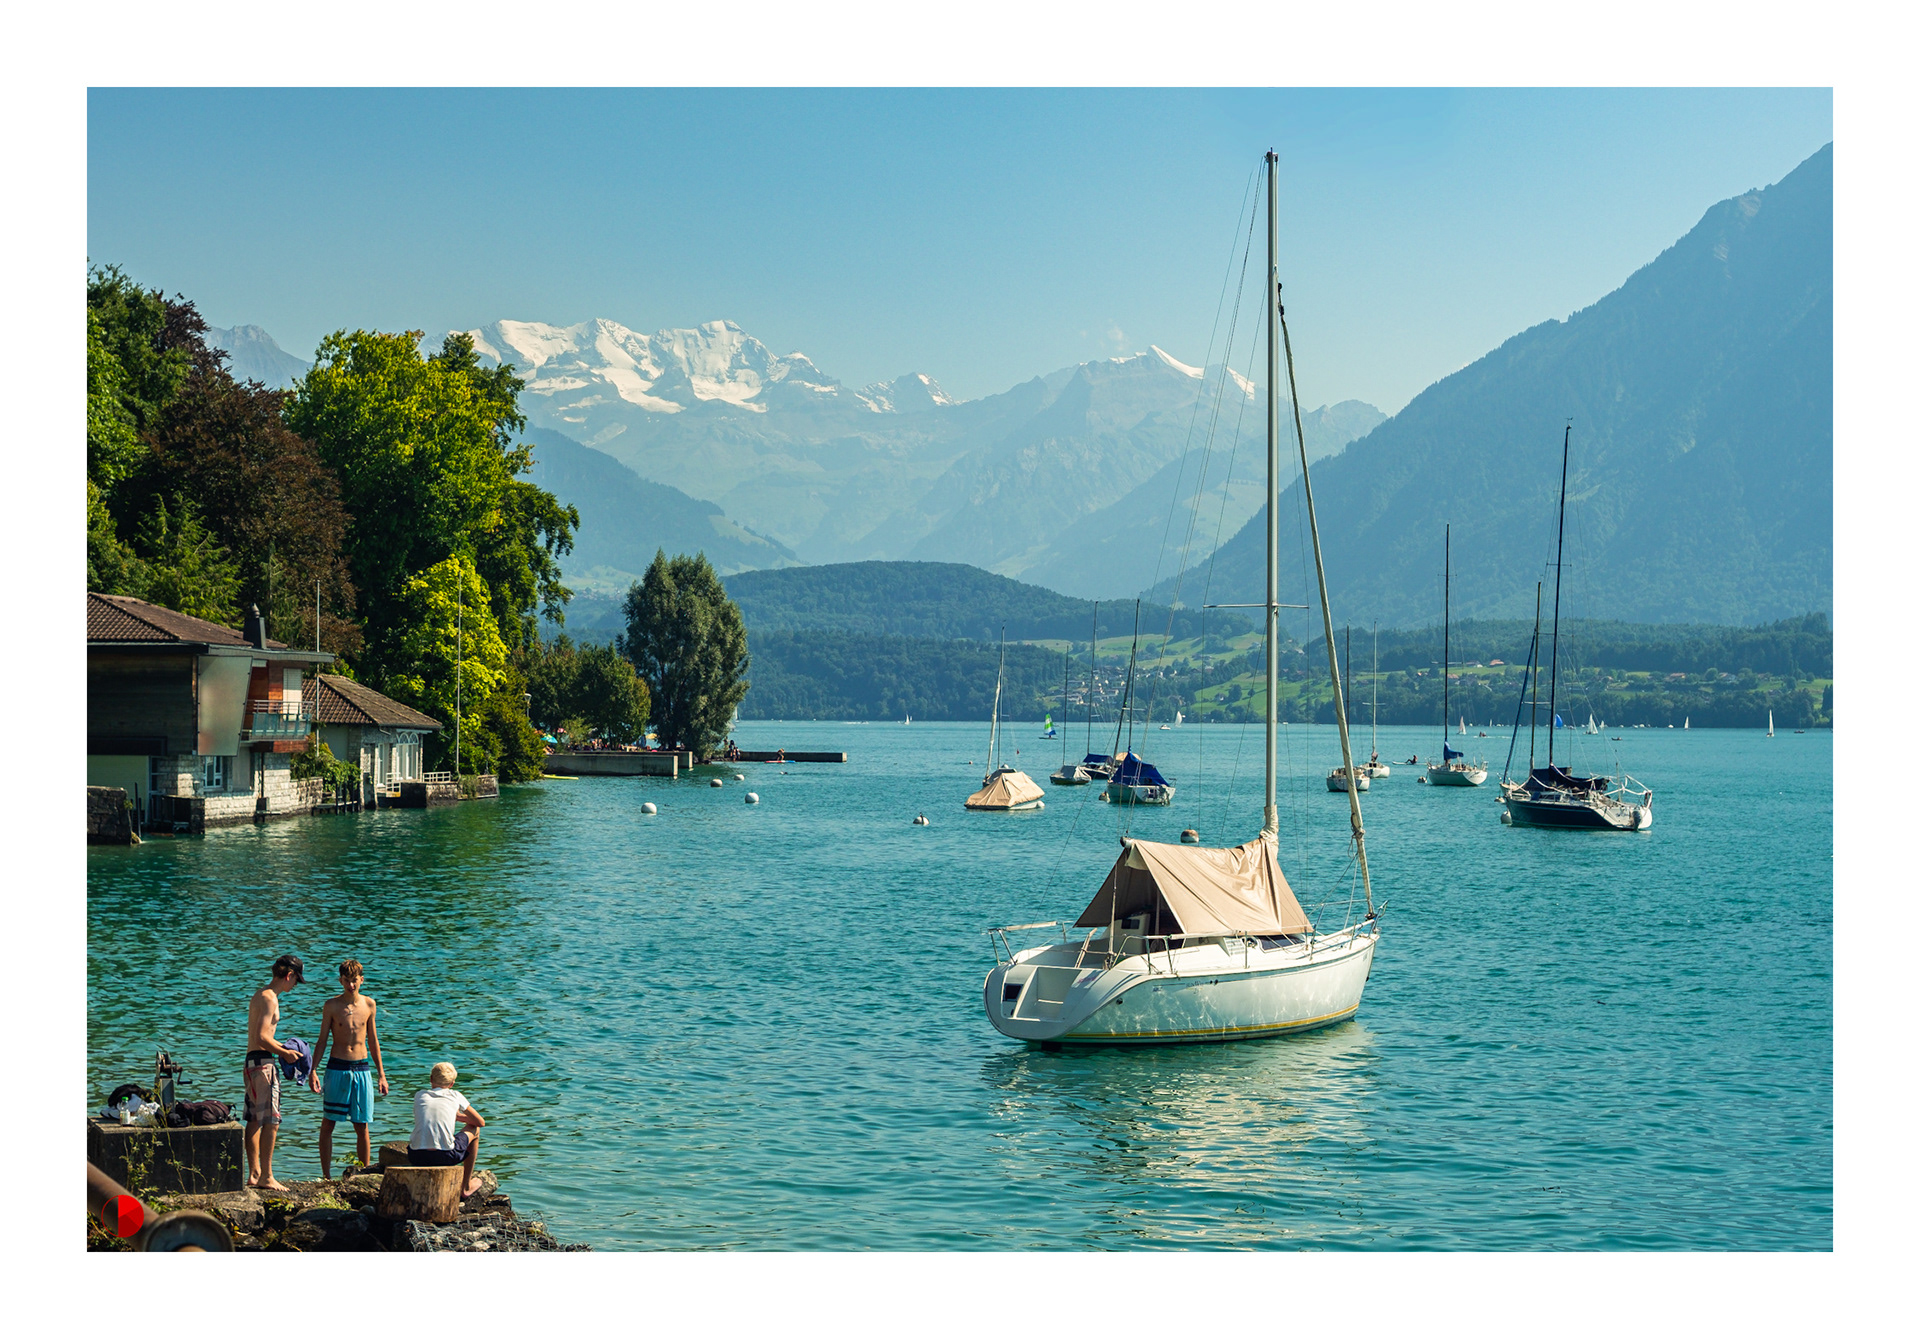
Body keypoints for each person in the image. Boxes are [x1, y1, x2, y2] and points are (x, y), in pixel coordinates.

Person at [309, 958, 388, 1180]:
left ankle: (362, 1176)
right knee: (328, 1123)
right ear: (340, 980)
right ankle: (326, 1176)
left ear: (361, 980)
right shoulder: (331, 1005)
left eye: (354, 981)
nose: (350, 985)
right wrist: (313, 1070)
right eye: (346, 981)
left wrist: (381, 1075)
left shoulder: (369, 1005)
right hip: (337, 1068)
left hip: (362, 1068)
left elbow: (373, 1041)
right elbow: (322, 1040)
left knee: (361, 1126)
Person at [243, 954, 307, 1191]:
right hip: (263, 1065)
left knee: (253, 1118)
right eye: (296, 981)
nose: (295, 986)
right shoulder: (271, 998)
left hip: (251, 1062)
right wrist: (285, 1054)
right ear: (289, 976)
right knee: (272, 1120)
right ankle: (267, 1176)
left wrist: (282, 1046)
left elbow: (261, 1036)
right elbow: (262, 1037)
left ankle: (254, 1174)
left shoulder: (259, 994)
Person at [408, 1062, 486, 1198]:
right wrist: (459, 1117)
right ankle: (466, 1187)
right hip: (446, 1156)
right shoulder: (455, 1095)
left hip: (416, 1156)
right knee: (475, 1129)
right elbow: (480, 1122)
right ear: (452, 1084)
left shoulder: (419, 1095)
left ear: (431, 1079)